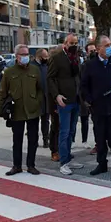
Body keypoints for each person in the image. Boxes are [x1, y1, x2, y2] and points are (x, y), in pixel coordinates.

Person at [80, 35, 111, 177]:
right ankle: (101, 164)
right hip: (98, 108)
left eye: (110, 44)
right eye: (106, 45)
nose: (110, 48)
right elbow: (83, 86)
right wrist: (90, 100)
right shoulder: (90, 65)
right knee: (100, 139)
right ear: (98, 49)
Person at [0, 44, 44, 176]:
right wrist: (1, 110)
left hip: (32, 110)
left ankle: (31, 165)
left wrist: (37, 102)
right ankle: (17, 166)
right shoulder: (9, 72)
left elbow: (40, 89)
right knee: (17, 140)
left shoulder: (35, 70)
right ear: (17, 56)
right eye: (22, 54)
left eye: (27, 54)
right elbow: (3, 92)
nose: (25, 57)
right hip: (16, 111)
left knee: (33, 139)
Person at [47, 34, 84, 175]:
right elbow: (50, 78)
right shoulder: (57, 58)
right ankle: (63, 162)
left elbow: (77, 76)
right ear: (65, 43)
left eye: (76, 43)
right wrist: (56, 95)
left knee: (72, 131)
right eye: (71, 43)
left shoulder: (76, 57)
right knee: (64, 132)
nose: (74, 45)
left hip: (76, 99)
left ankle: (68, 158)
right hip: (64, 100)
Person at [33, 49, 54, 150]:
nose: (47, 58)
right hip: (36, 99)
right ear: (39, 57)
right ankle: (34, 141)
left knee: (45, 121)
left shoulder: (46, 66)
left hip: (46, 98)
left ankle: (46, 140)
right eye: (45, 57)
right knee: (34, 122)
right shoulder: (31, 67)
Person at [80, 41, 98, 154]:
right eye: (91, 51)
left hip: (101, 98)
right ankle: (97, 144)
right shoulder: (84, 66)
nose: (93, 53)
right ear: (87, 53)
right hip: (90, 99)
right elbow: (83, 84)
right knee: (93, 122)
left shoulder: (102, 63)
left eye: (95, 50)